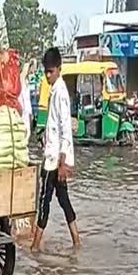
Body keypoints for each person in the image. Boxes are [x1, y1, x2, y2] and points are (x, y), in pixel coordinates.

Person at [31, 47, 81, 251]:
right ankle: (76, 241)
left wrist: (62, 162)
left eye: (50, 72)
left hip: (54, 161)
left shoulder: (60, 92)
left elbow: (65, 130)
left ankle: (35, 246)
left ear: (59, 69)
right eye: (46, 72)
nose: (47, 75)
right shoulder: (56, 90)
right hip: (53, 155)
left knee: (44, 201)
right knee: (63, 199)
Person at [19, 59, 37, 142]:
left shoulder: (27, 81)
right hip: (22, 110)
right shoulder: (21, 81)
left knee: (27, 132)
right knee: (24, 132)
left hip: (27, 110)